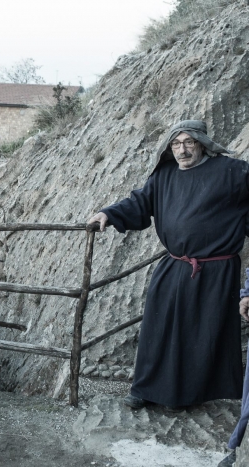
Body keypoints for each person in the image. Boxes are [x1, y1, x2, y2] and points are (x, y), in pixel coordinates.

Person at [87, 120, 246, 411]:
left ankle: (186, 396)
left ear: (202, 144)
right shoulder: (164, 175)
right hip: (175, 265)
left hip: (217, 271)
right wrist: (108, 213)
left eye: (189, 142)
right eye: (176, 144)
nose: (182, 150)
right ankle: (145, 389)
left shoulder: (232, 172)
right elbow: (140, 202)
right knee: (157, 328)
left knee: (202, 334)